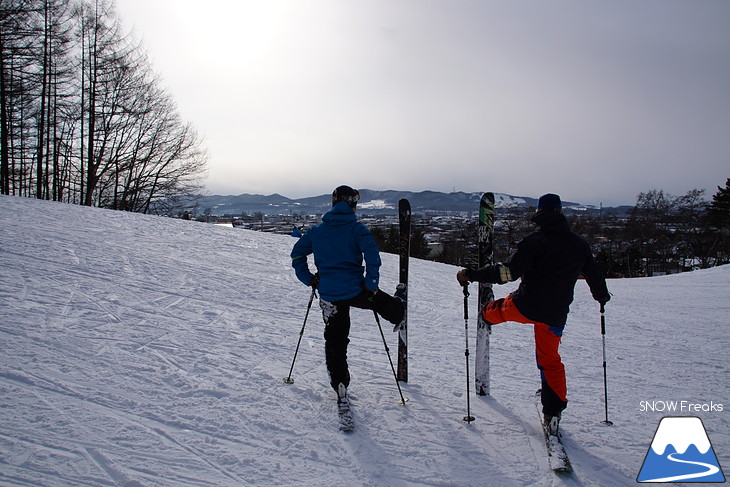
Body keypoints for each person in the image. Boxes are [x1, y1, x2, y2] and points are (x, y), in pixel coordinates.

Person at [456, 193, 610, 434]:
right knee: (549, 360)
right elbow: (594, 275)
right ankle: (553, 411)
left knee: (493, 312)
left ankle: (486, 313)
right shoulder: (579, 244)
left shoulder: (534, 242)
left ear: (539, 214)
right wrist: (601, 297)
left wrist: (474, 275)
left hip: (524, 306)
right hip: (555, 315)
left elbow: (507, 273)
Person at [291, 185, 405, 407]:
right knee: (378, 301)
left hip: (329, 294)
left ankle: (339, 383)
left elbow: (297, 254)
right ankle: (398, 313)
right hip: (355, 289)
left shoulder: (317, 231)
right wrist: (371, 284)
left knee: (335, 339)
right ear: (352, 204)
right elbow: (373, 258)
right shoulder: (358, 230)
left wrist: (308, 278)